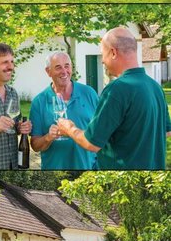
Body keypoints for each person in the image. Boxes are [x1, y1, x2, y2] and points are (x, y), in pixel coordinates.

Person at [58, 27, 171, 170]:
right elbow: (167, 132)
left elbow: (91, 143)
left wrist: (69, 128)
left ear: (113, 52)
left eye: (102, 54)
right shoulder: (155, 87)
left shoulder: (117, 89)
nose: (102, 61)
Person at [29, 52, 99, 170]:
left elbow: (102, 132)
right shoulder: (39, 102)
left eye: (67, 66)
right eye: (58, 67)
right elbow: (35, 145)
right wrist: (48, 137)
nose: (64, 71)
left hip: (89, 167)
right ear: (48, 71)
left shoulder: (89, 93)